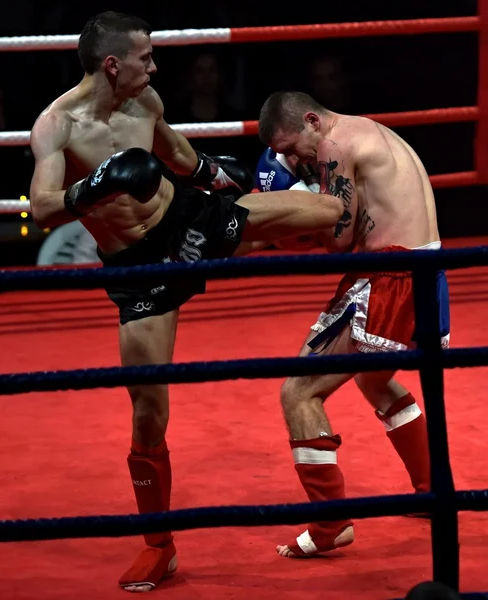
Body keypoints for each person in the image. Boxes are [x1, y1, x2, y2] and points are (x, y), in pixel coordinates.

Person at [28, 14, 343, 593]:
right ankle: (159, 546)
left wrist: (211, 173)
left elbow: (175, 151)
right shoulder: (57, 126)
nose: (155, 67)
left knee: (328, 211)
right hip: (139, 270)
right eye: (145, 58)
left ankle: (388, 288)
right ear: (112, 64)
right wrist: (96, 184)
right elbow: (43, 208)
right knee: (148, 413)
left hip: (188, 224)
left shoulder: (144, 98)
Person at [257, 91, 450, 558]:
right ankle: (432, 492)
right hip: (428, 271)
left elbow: (338, 240)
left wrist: (286, 213)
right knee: (373, 379)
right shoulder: (367, 129)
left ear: (311, 121)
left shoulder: (334, 146)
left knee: (298, 392)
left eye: (288, 146)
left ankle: (331, 525)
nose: (287, 157)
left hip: (391, 278)